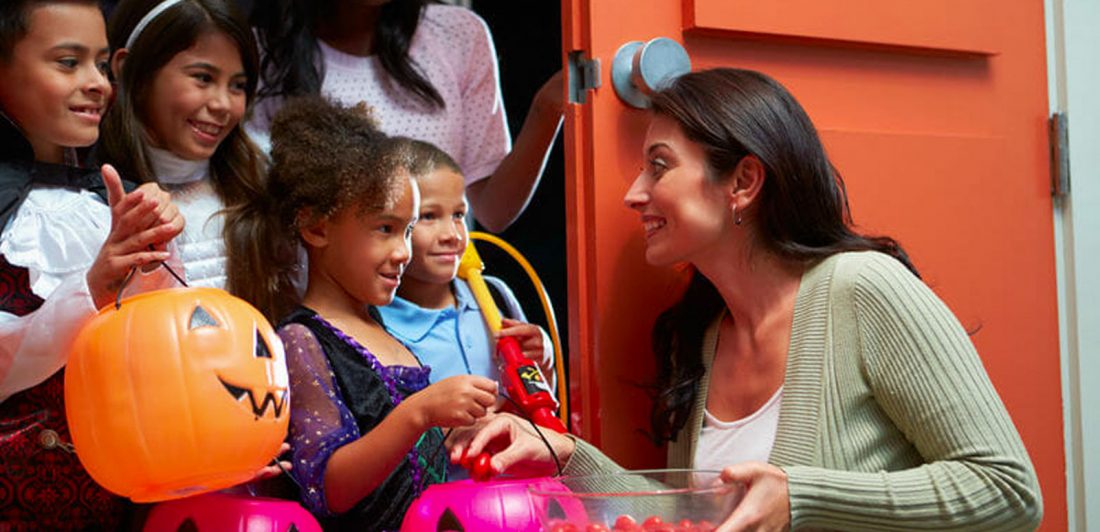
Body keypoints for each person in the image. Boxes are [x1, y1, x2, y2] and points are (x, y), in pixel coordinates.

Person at [448, 68, 1043, 531]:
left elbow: (1008, 491)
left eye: (659, 167)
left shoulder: (864, 290)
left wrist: (801, 497)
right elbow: (697, 516)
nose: (635, 193)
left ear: (743, 182)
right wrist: (565, 455)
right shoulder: (700, 337)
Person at [227, 95, 497, 529]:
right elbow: (328, 487)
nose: (403, 252)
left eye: (408, 230)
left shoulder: (385, 329)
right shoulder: (302, 340)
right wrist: (421, 413)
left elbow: (406, 457)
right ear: (316, 227)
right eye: (385, 229)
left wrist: (461, 431)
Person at [0, 0, 184, 526]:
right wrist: (91, 291)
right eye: (67, 62)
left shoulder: (114, 198)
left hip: (119, 502)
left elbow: (161, 361)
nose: (98, 83)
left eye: (101, 65)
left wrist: (153, 257)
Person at [248, 0, 563, 232]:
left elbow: (493, 211)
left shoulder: (458, 35)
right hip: (320, 307)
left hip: (437, 303)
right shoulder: (264, 53)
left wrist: (545, 112)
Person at [99, 0, 266, 292]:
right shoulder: (86, 206)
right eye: (203, 78)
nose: (222, 104)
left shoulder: (262, 185)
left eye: (237, 85)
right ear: (129, 69)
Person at [377, 139, 554, 391]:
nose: (453, 235)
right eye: (428, 216)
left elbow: (540, 404)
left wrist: (544, 365)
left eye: (459, 215)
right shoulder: (374, 324)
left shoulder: (496, 296)